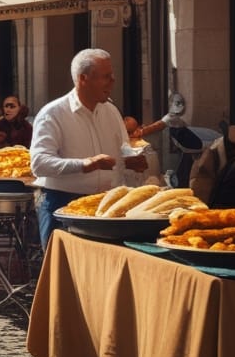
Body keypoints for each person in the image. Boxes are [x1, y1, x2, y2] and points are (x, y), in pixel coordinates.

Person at [30, 48, 149, 246]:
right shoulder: (53, 114)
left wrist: (131, 161)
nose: (113, 81)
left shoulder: (111, 111)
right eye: (106, 76)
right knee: (63, 273)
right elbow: (39, 164)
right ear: (83, 78)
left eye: (112, 75)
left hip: (106, 206)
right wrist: (86, 164)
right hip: (62, 205)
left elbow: (123, 149)